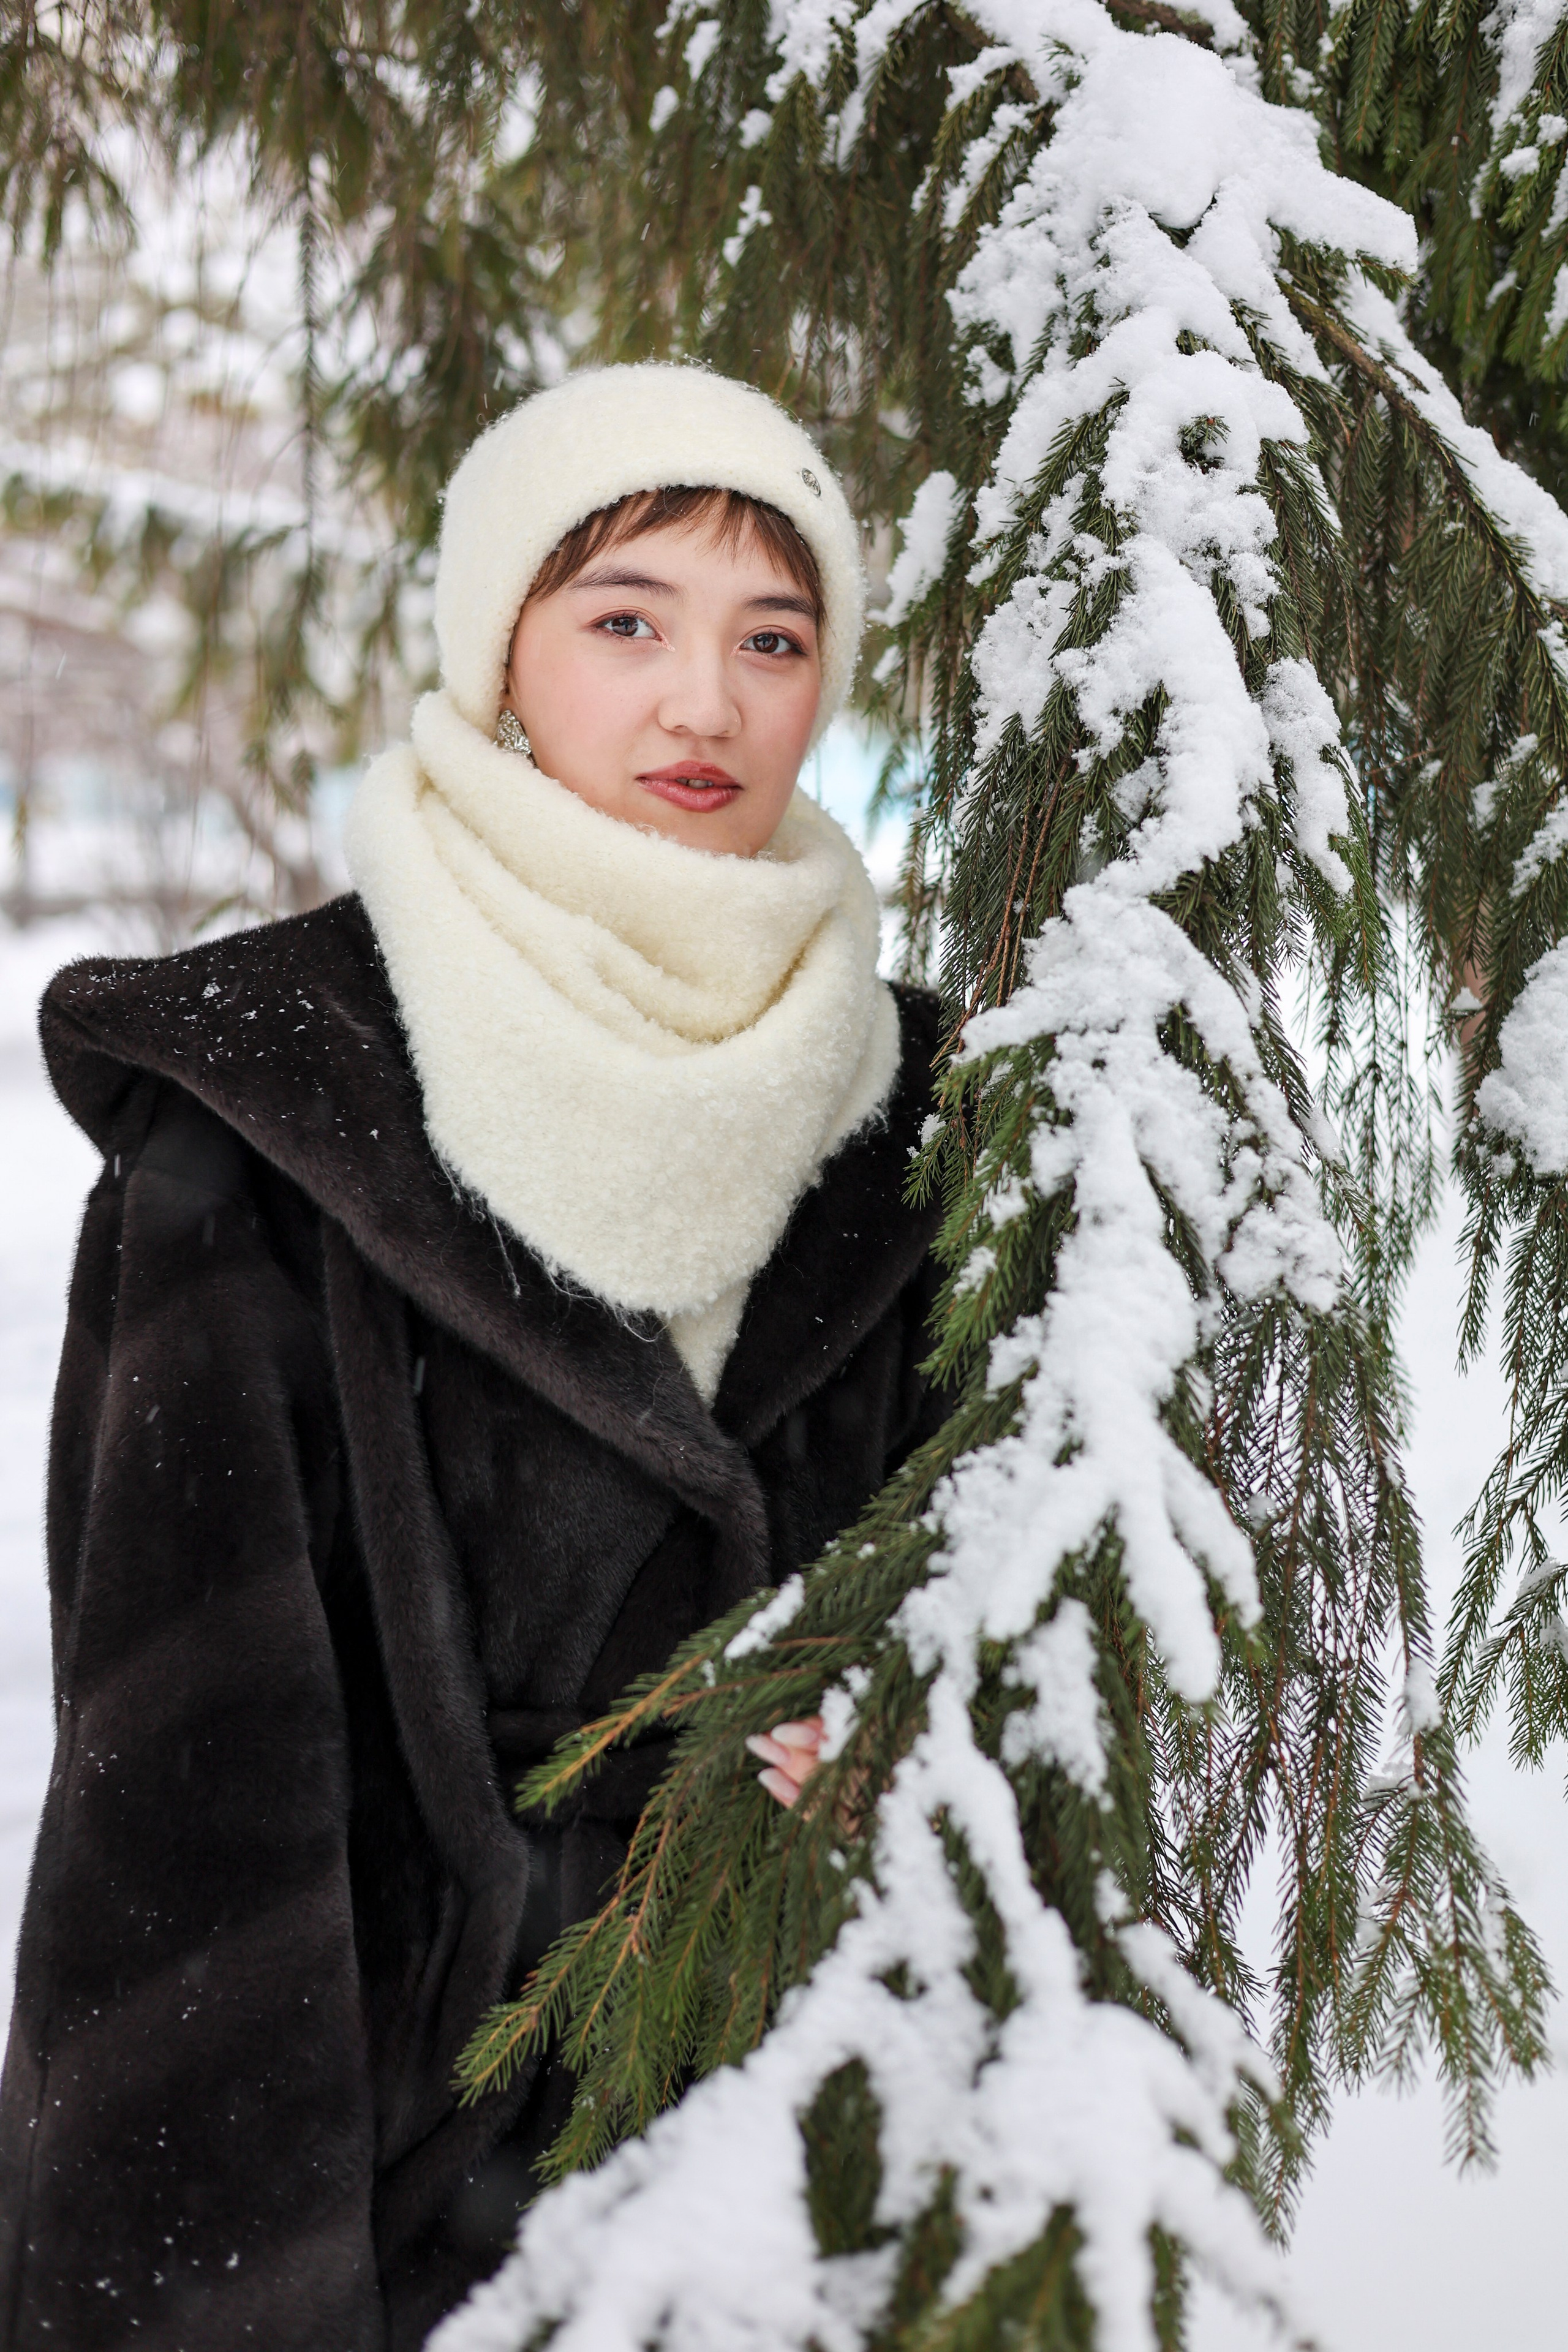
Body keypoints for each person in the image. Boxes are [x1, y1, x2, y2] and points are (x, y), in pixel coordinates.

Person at [0, 364, 953, 2351]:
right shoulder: (274, 1107)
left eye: (775, 638)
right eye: (628, 621)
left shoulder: (931, 1113)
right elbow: (176, 1815)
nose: (709, 702)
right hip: (402, 2205)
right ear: (500, 649)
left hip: (828, 2195)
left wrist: (923, 1737)